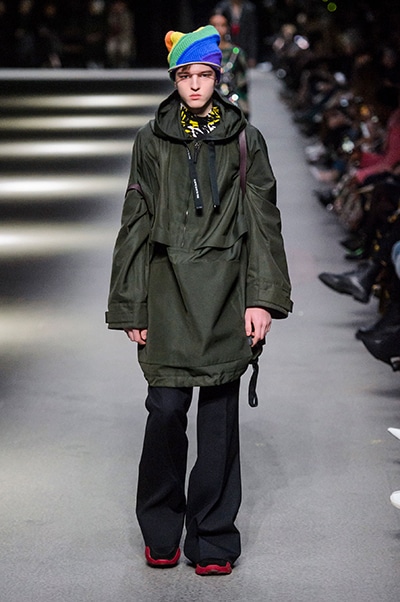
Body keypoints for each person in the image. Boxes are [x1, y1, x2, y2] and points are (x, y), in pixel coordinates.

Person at [106, 25, 292, 576]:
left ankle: (211, 538)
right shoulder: (150, 140)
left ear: (217, 77)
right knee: (165, 411)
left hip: (228, 291)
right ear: (174, 78)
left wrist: (262, 299)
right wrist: (131, 304)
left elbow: (264, 222)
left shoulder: (245, 140)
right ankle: (161, 529)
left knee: (217, 420)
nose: (194, 84)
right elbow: (135, 224)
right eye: (185, 75)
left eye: (204, 74)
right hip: (166, 289)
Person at [209, 10, 249, 117]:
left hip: (232, 100)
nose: (218, 29)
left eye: (222, 25)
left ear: (227, 28)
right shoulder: (202, 53)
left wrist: (244, 107)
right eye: (214, 25)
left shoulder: (236, 52)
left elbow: (242, 81)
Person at [214, 0, 258, 67]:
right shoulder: (222, 7)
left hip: (243, 43)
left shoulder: (249, 8)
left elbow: (252, 34)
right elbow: (217, 20)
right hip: (227, 42)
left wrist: (252, 56)